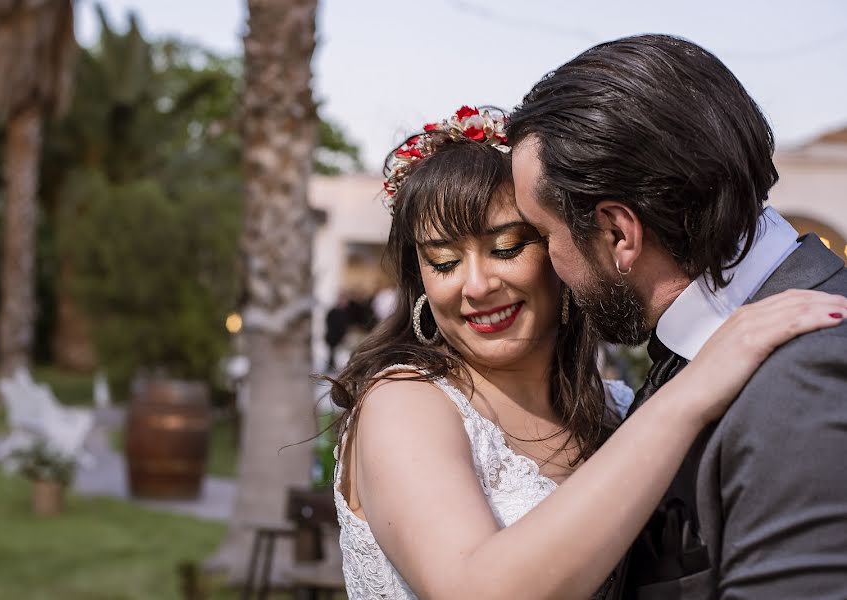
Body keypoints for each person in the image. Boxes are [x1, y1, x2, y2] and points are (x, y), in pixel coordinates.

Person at [329, 105, 847, 599]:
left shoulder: (618, 409)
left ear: (565, 247)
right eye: (443, 261)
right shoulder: (404, 402)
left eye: (507, 248)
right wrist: (691, 392)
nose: (477, 285)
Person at [508, 34, 847, 599]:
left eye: (544, 234)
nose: (546, 264)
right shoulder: (704, 345)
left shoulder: (804, 379)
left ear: (619, 233)